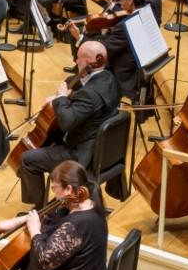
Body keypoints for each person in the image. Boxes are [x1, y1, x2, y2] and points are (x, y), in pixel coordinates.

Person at [0, 161, 108, 270]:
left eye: (55, 189)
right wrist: (18, 221)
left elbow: (46, 260)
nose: (54, 195)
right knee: (29, 267)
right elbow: (50, 214)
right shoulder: (89, 203)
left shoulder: (77, 224)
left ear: (68, 189)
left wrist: (34, 231)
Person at [18, 41, 121, 208]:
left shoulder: (90, 94)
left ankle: (40, 209)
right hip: (105, 150)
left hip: (80, 155)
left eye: (78, 58)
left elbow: (66, 122)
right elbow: (88, 102)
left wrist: (60, 97)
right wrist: (70, 95)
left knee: (27, 159)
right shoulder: (110, 79)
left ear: (88, 61)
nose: (75, 62)